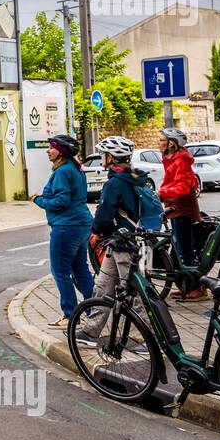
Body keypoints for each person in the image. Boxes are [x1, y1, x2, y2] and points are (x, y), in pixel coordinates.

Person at [77, 137, 150, 336]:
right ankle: (91, 331)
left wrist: (96, 231)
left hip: (125, 245)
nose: (101, 157)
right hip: (119, 243)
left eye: (103, 153)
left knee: (134, 294)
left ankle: (150, 337)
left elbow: (104, 215)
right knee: (102, 288)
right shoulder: (133, 176)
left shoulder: (115, 184)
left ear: (111, 157)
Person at [32, 134, 94, 327]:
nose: (48, 150)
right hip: (82, 224)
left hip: (66, 226)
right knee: (80, 268)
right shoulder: (76, 169)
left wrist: (39, 200)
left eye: (51, 147)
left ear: (62, 151)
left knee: (60, 271)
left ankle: (70, 314)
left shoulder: (62, 171)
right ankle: (95, 310)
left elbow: (61, 201)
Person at [158, 127, 206, 301]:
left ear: (172, 144)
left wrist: (162, 193)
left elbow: (183, 188)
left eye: (162, 140)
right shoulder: (171, 159)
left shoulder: (180, 161)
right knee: (179, 249)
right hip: (175, 208)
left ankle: (199, 289)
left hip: (183, 210)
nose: (159, 143)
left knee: (186, 251)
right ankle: (186, 285)